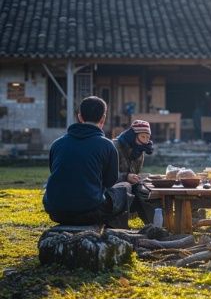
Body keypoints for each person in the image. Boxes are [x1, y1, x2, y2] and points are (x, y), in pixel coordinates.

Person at [43, 96, 130, 227]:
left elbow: (55, 171)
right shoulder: (107, 145)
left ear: (80, 116)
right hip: (91, 212)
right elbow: (110, 181)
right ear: (103, 118)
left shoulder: (57, 144)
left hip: (56, 212)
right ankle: (114, 230)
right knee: (125, 188)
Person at [113, 120, 155, 224]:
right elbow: (106, 174)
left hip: (129, 185)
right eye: (142, 137)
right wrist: (126, 176)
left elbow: (135, 172)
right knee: (126, 188)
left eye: (147, 138)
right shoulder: (114, 147)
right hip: (113, 187)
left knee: (144, 191)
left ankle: (154, 226)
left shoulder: (139, 151)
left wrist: (136, 178)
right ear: (133, 135)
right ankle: (117, 228)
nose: (145, 141)